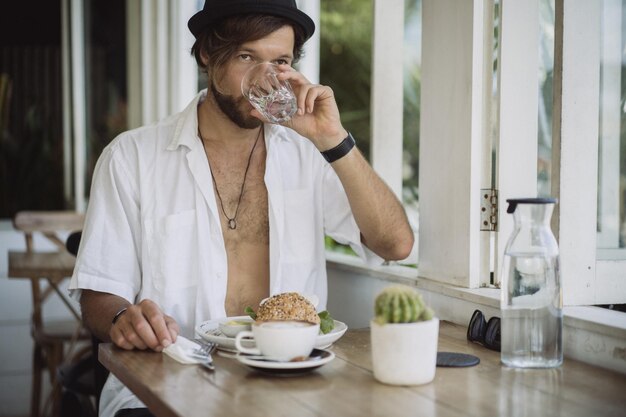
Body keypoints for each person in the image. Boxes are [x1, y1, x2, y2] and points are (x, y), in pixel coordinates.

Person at [69, 0, 413, 416]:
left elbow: (395, 245)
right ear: (207, 54)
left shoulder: (308, 155)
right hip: (167, 381)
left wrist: (333, 139)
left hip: (291, 387)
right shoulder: (132, 157)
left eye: (280, 61)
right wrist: (125, 317)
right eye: (247, 56)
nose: (264, 78)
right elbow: (99, 292)